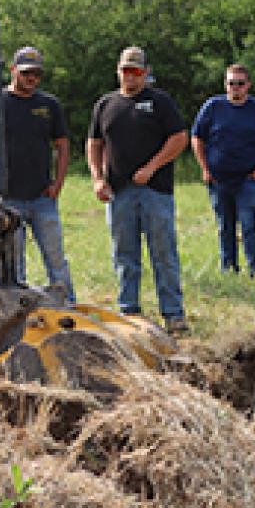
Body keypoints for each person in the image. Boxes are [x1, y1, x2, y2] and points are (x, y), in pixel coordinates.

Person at [87, 46, 189, 334]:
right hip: (118, 192)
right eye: (126, 70)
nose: (130, 76)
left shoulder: (159, 102)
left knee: (163, 253)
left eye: (136, 71)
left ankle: (173, 315)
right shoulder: (106, 104)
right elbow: (94, 143)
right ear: (118, 72)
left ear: (145, 73)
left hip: (155, 191)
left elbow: (179, 138)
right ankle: (129, 312)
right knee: (124, 253)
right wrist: (97, 178)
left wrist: (152, 167)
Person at [190, 63, 255, 276]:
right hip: (218, 179)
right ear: (225, 84)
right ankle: (228, 269)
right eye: (231, 83)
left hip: (248, 180)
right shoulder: (213, 107)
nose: (235, 88)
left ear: (248, 85)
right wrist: (204, 168)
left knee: (249, 226)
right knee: (225, 227)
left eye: (240, 83)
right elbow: (196, 137)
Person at [2, 46, 75, 303]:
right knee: (13, 265)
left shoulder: (49, 105)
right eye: (26, 73)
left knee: (56, 261)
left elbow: (62, 145)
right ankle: (17, 313)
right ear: (13, 71)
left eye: (36, 74)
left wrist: (58, 184)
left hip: (43, 197)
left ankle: (67, 308)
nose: (32, 79)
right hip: (9, 199)